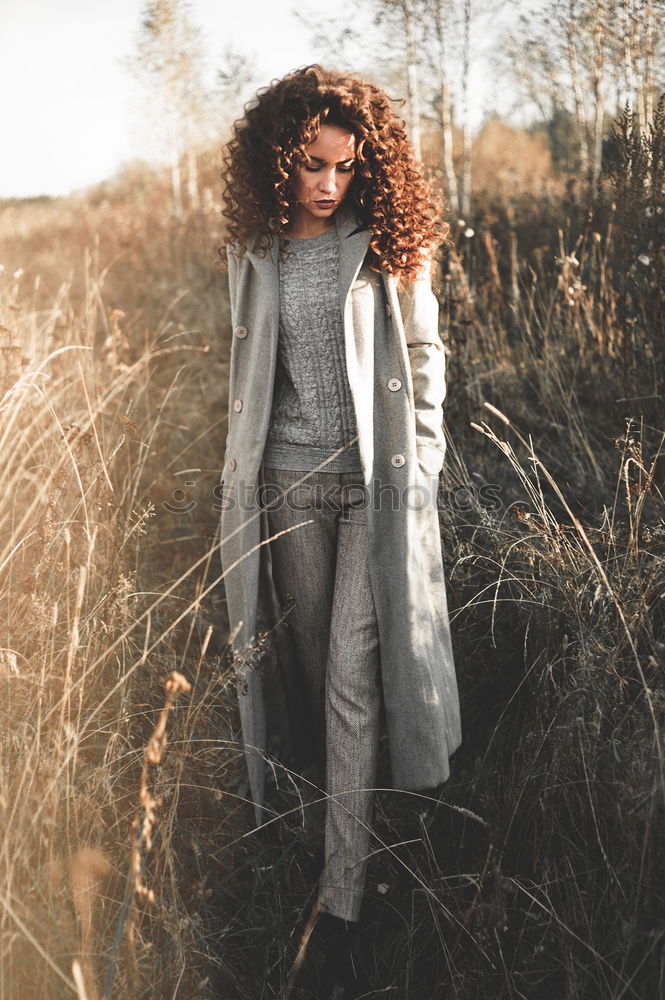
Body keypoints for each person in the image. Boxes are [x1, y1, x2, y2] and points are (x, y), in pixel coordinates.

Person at [219, 64, 462, 997]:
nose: (329, 184)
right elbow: (245, 378)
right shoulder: (253, 247)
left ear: (369, 167)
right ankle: (341, 825)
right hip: (284, 485)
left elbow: (427, 356)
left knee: (356, 681)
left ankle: (341, 909)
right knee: (314, 671)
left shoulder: (390, 242)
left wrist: (425, 467)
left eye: (346, 167)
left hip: (373, 489)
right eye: (313, 166)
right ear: (281, 162)